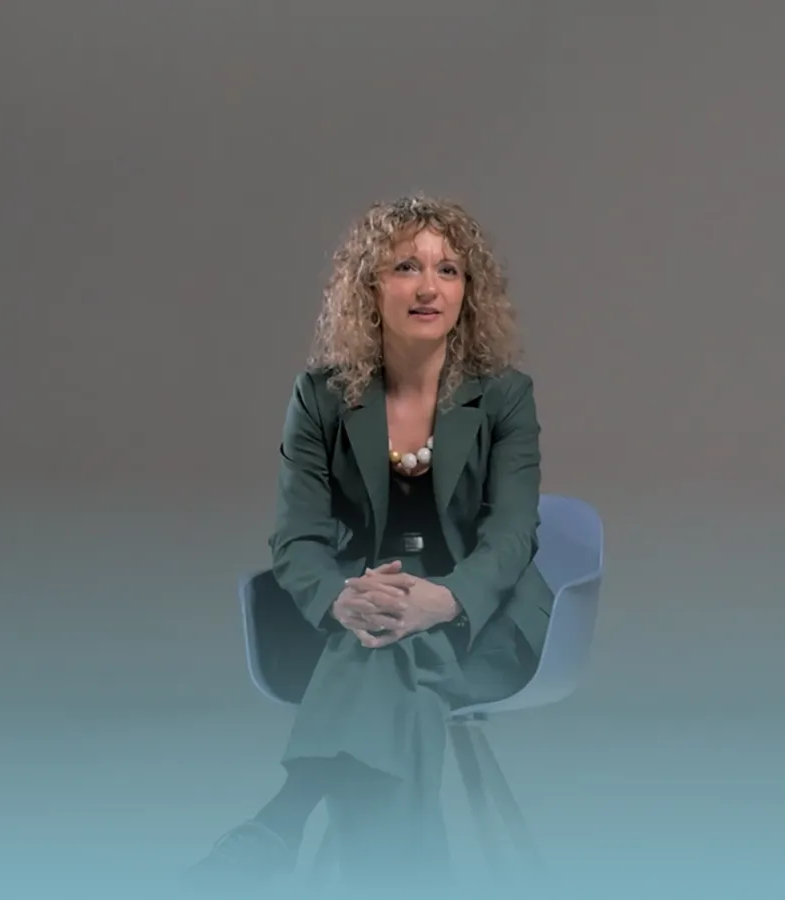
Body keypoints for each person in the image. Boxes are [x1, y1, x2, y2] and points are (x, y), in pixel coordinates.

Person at [184, 194, 552, 893]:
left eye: (448, 270)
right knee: (389, 649)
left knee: (387, 648)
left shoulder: (504, 396)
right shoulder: (320, 397)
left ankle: (280, 822)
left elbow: (512, 535)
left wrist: (444, 599)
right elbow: (296, 535)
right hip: (360, 614)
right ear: (369, 287)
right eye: (406, 266)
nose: (428, 286)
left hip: (482, 622)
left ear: (468, 292)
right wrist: (340, 599)